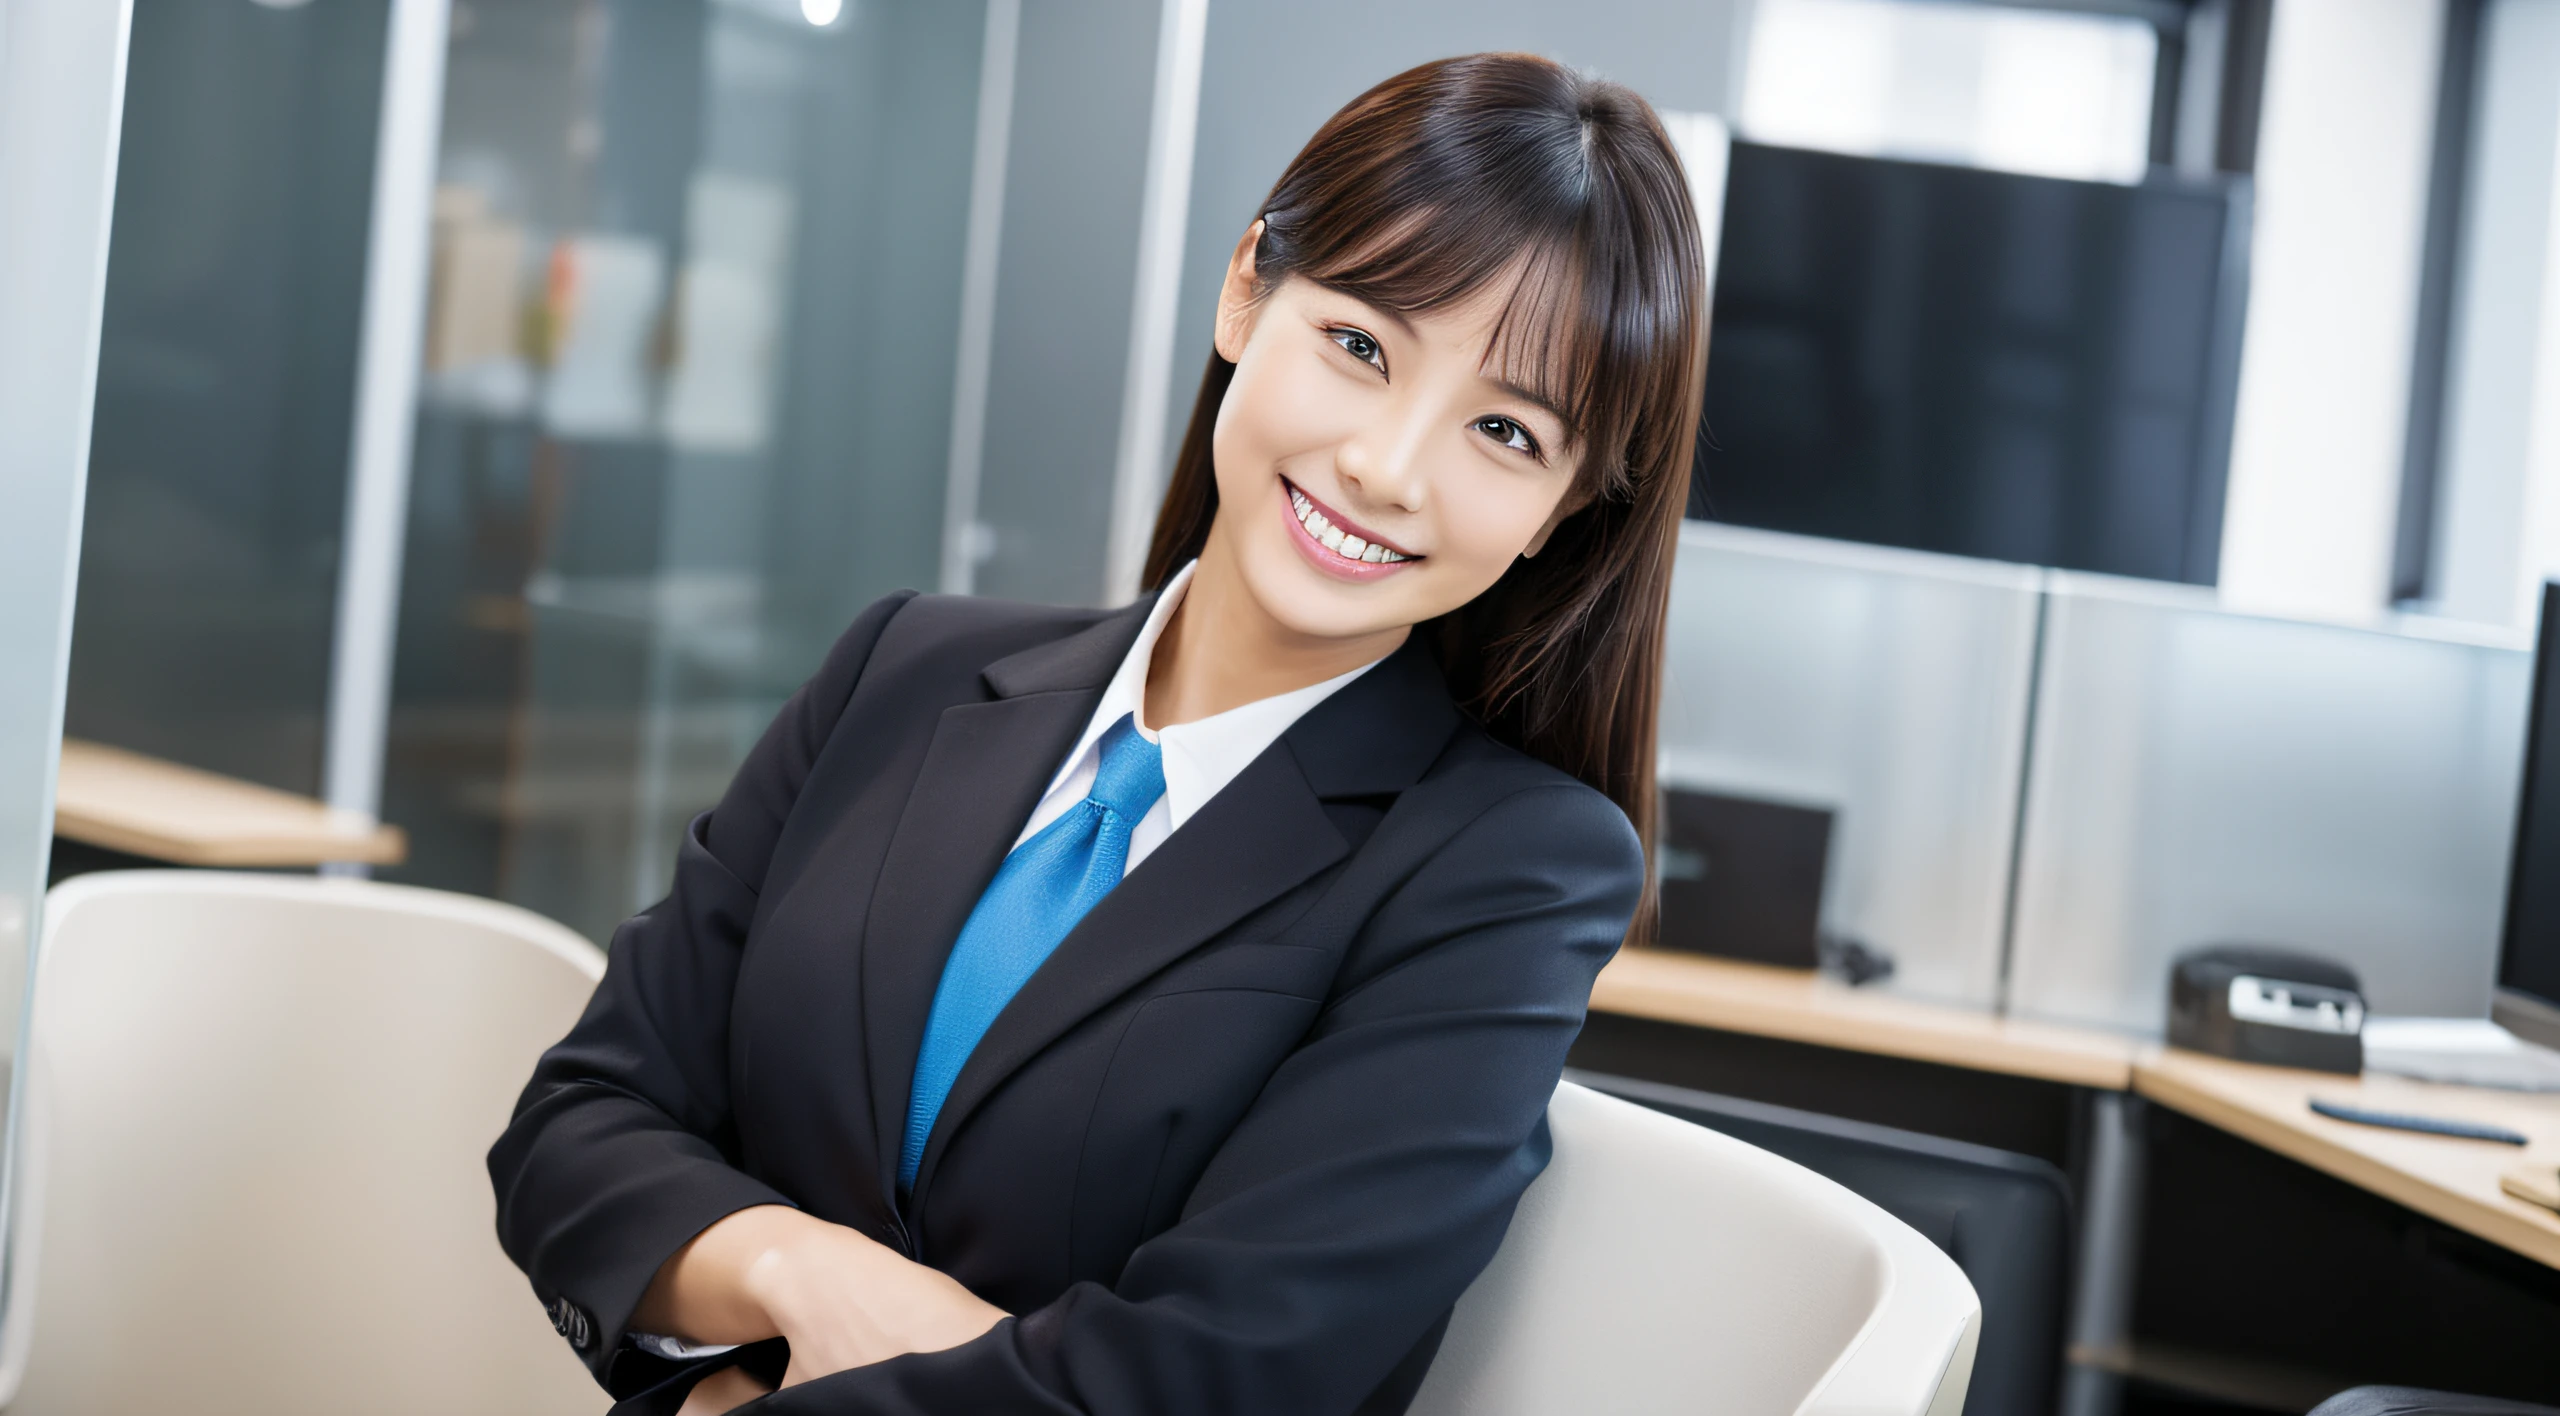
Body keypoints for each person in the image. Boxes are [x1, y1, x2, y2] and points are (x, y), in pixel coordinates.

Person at [489, 51, 1707, 1416]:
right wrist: (793, 1275)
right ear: (1249, 286)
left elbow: (1219, 1376)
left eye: (1503, 430)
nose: (1389, 466)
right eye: (1361, 346)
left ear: (1564, 513)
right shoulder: (904, 669)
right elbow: (579, 1130)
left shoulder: (1511, 870)